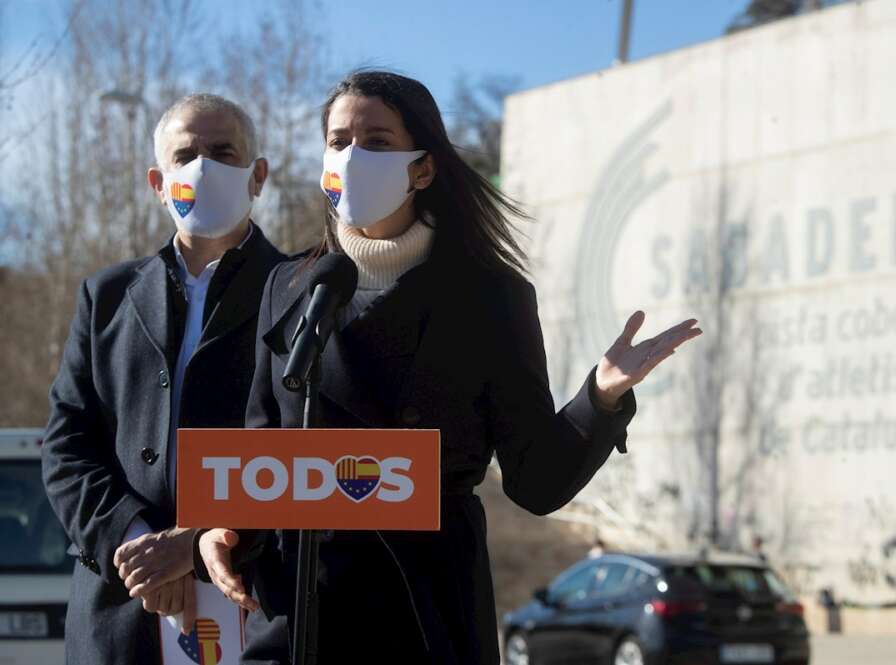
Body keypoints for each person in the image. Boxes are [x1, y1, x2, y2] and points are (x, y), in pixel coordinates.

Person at [196, 70, 702, 665]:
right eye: (338, 141)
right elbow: (261, 447)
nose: (352, 156)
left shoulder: (489, 296)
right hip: (300, 612)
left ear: (423, 168)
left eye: (377, 142)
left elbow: (536, 479)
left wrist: (603, 396)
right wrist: (222, 529)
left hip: (423, 612)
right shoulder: (289, 284)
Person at [41, 93, 286, 664]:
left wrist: (196, 545)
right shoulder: (105, 298)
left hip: (258, 604)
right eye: (186, 155)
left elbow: (304, 450)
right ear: (158, 181)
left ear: (258, 176)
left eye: (223, 152)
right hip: (122, 614)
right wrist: (138, 544)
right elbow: (67, 446)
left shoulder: (305, 291)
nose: (204, 167)